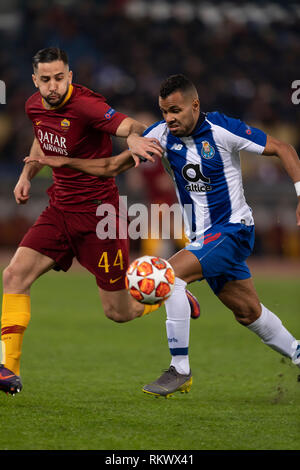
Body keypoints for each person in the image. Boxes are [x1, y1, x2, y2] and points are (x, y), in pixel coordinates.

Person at [0, 49, 199, 396]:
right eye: (45, 80)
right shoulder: (34, 105)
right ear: (35, 80)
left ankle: (164, 292)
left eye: (59, 78)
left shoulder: (86, 105)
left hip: (99, 218)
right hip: (59, 211)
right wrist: (26, 174)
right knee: (14, 275)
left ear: (70, 75)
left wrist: (135, 139)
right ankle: (8, 370)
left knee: (118, 313)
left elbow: (130, 126)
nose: (52, 86)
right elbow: (41, 137)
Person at [137, 74, 300, 397]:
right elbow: (117, 163)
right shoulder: (159, 135)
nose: (169, 118)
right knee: (248, 313)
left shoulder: (222, 130)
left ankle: (179, 368)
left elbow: (283, 147)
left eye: (176, 110)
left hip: (232, 230)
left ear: (195, 106)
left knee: (168, 276)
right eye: (164, 111)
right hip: (203, 237)